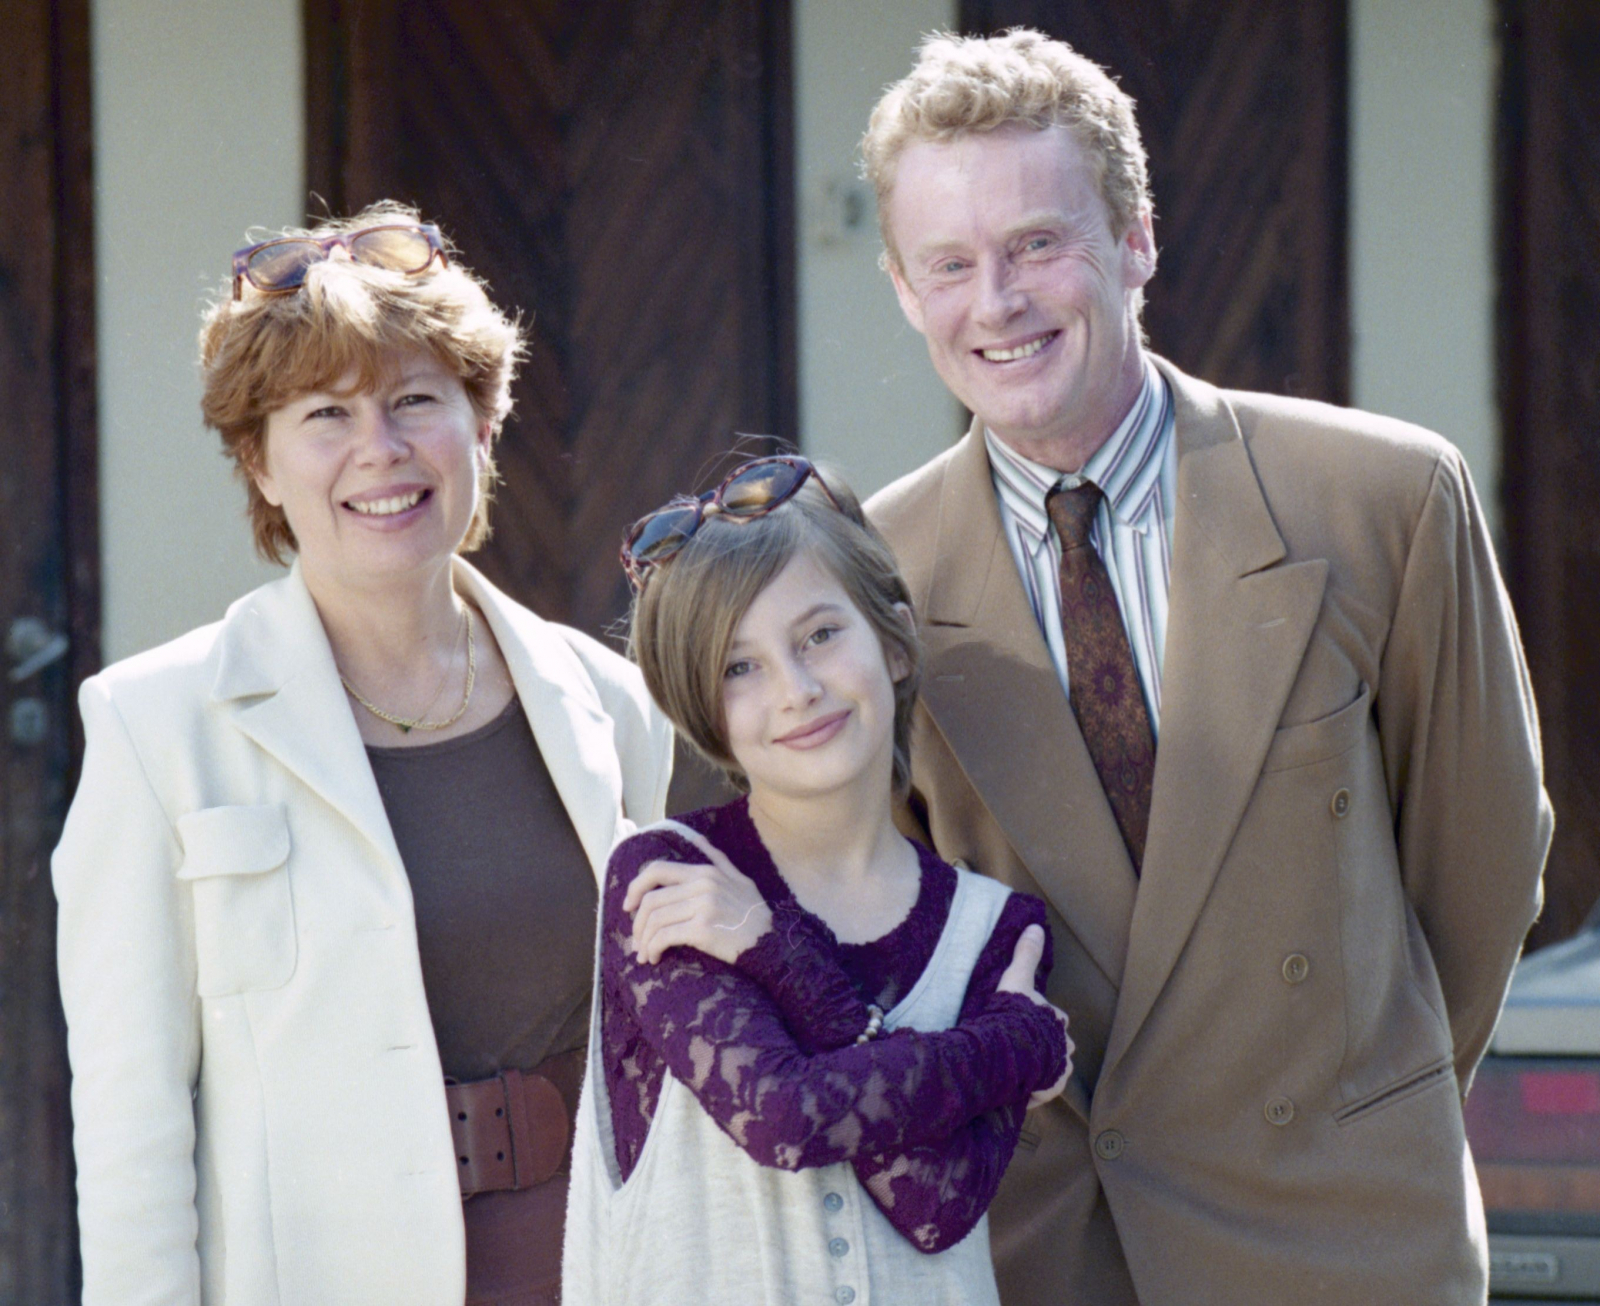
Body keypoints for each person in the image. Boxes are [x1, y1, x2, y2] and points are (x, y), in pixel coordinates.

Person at [859, 29, 1554, 1306]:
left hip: (1344, 1241)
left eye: (1036, 246)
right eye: (949, 264)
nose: (996, 303)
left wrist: (1356, 1113)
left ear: (1134, 241)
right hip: (1048, 1251)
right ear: (904, 289)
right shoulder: (870, 580)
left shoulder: (1383, 498)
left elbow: (1484, 864)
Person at [52, 203, 673, 1305]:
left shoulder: (609, 701)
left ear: (483, 423)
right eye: (325, 414)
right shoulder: (156, 728)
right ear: (259, 461)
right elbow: (131, 1128)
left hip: (605, 1268)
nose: (379, 450)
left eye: (415, 400)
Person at [562, 456, 1073, 1305]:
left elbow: (934, 1201)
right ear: (704, 708)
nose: (795, 691)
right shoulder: (669, 880)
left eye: (820, 636)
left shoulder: (994, 931)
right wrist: (1018, 1044)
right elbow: (781, 1116)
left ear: (897, 642)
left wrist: (769, 949)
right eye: (740, 668)